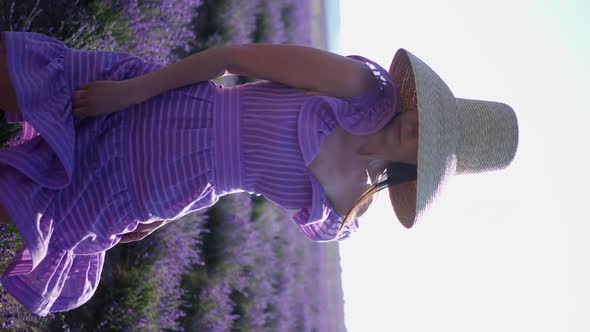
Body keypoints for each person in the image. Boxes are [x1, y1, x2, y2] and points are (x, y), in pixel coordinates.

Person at [0, 30, 518, 316]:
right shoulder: (359, 87)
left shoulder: (345, 212)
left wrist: (160, 220)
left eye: (437, 149)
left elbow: (239, 170)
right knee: (19, 81)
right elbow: (233, 57)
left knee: (24, 210)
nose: (423, 135)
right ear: (422, 103)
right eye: (435, 122)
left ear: (425, 172)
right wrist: (131, 91)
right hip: (157, 109)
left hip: (166, 190)